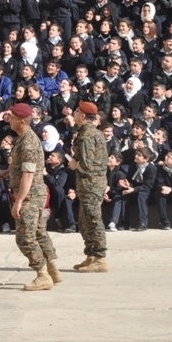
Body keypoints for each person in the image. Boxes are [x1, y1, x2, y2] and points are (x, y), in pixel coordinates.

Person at [5, 103, 61, 290]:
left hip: (29, 196)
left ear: (21, 121)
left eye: (11, 117)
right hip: (34, 194)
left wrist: (18, 202)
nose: (8, 119)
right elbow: (25, 167)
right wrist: (7, 172)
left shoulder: (28, 142)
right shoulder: (24, 138)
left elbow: (29, 175)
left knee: (24, 238)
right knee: (38, 233)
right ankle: (53, 270)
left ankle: (42, 275)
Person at [69, 101, 109, 272]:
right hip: (91, 183)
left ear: (83, 116)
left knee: (92, 219)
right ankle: (91, 255)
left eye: (77, 111)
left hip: (90, 183)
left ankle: (99, 258)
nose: (75, 113)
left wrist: (74, 164)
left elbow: (86, 164)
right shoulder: (91, 133)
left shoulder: (86, 136)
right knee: (85, 220)